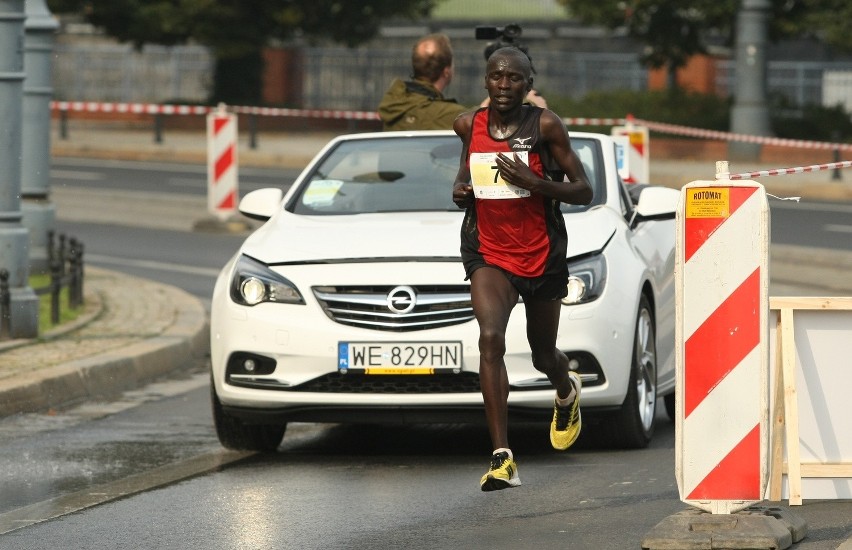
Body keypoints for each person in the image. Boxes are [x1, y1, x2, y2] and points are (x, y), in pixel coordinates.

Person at [451, 47, 593, 492]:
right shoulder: (467, 125)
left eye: (515, 78)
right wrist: (460, 192)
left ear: (528, 83)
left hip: (540, 252)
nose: (505, 85)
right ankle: (502, 456)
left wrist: (535, 183)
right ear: (486, 81)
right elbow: (466, 177)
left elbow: (584, 189)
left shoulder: (546, 125)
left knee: (541, 353)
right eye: (497, 77)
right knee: (490, 337)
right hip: (488, 251)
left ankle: (565, 389)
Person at [377, 34, 545, 131]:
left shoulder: (395, 102)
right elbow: (484, 124)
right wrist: (533, 105)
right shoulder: (443, 114)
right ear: (447, 71)